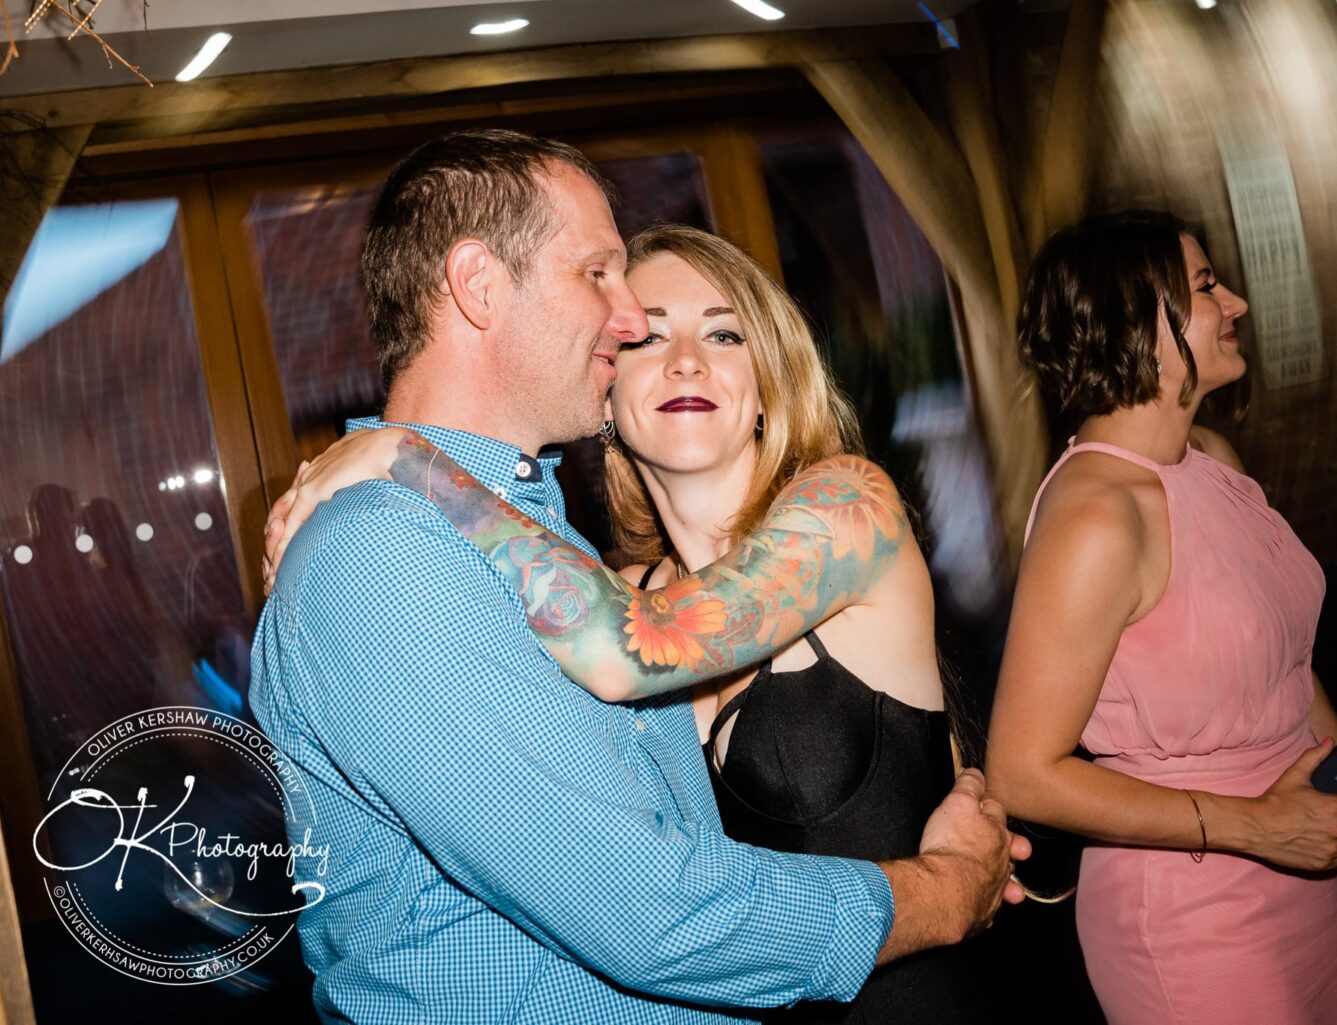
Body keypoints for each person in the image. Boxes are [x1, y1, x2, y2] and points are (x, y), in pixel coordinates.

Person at [250, 128, 1025, 1025]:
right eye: (602, 280)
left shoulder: (557, 556)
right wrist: (940, 888)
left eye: (725, 334)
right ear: (477, 284)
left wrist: (411, 458)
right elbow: (653, 910)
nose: (626, 322)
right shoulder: (404, 559)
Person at [984, 210, 1337, 1025]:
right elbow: (1021, 772)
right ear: (1134, 325)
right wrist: (1259, 827)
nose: (1237, 303)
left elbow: (1290, 679)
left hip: (1314, 879)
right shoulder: (1096, 516)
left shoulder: (1214, 462)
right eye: (1204, 286)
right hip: (1193, 917)